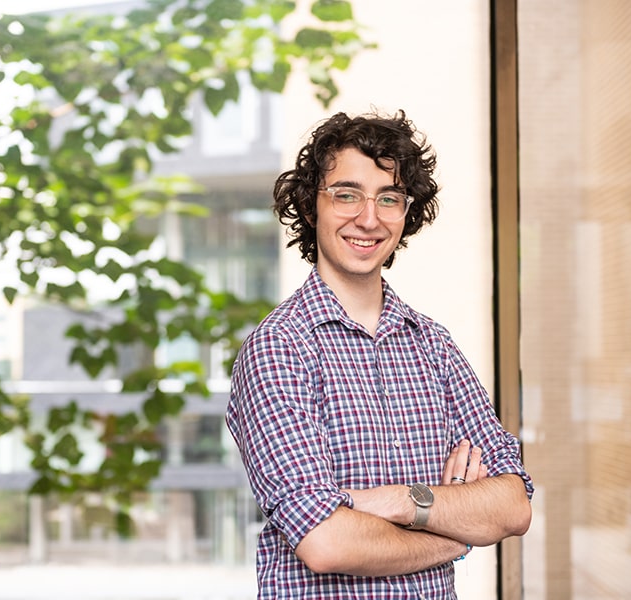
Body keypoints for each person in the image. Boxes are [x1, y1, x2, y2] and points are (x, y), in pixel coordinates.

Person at [226, 110, 533, 599]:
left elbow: (513, 506)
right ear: (311, 208)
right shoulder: (278, 348)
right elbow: (325, 541)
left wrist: (400, 503)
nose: (368, 219)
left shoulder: (433, 345)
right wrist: (452, 531)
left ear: (405, 214)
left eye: (388, 199)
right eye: (347, 195)